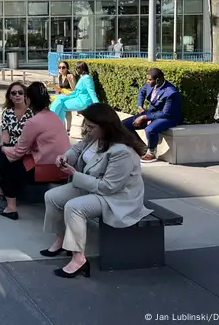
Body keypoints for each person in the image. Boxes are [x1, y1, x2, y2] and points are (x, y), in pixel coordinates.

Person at [43, 103, 152, 278]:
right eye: (86, 124)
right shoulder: (95, 137)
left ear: (106, 126)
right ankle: (61, 239)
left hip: (117, 197)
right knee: (52, 196)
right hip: (92, 186)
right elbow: (77, 149)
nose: (87, 129)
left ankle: (79, 259)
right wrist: (65, 158)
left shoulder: (121, 151)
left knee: (74, 207)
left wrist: (73, 174)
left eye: (92, 126)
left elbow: (108, 187)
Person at [0, 82, 70, 219]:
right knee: (3, 155)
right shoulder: (52, 116)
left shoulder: (33, 121)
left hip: (48, 167)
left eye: (22, 94)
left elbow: (18, 152)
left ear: (28, 99)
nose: (18, 96)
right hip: (58, 164)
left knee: (5, 167)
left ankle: (9, 206)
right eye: (13, 93)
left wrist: (3, 148)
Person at [0, 82, 33, 192]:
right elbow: (5, 133)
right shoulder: (7, 113)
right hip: (11, 145)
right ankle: (0, 186)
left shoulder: (32, 112)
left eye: (20, 93)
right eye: (14, 93)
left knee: (0, 160)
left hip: (27, 148)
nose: (17, 95)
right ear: (10, 96)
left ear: (25, 95)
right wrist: (3, 145)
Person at [122, 68, 182, 162]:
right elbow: (141, 91)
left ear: (157, 80)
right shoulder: (150, 85)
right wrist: (140, 106)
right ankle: (142, 148)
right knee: (124, 125)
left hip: (168, 117)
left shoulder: (171, 92)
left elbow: (165, 113)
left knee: (150, 129)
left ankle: (151, 152)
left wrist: (144, 117)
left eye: (150, 79)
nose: (147, 81)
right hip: (152, 113)